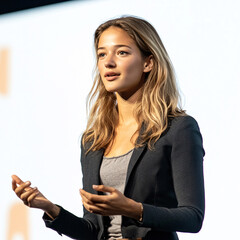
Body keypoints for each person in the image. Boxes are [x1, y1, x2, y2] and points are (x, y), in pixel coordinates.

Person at [12, 16, 205, 240]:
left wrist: (132, 209)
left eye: (121, 52)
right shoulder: (94, 139)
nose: (108, 62)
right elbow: (93, 230)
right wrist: (50, 209)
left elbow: (192, 218)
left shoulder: (177, 129)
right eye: (102, 54)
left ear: (148, 63)